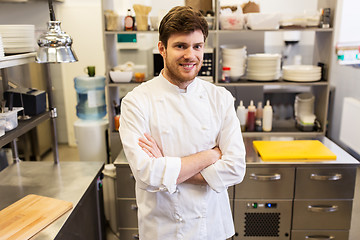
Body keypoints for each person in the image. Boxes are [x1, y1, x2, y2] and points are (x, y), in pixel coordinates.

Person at [119, 6, 246, 240]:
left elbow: (236, 169)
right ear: (162, 49)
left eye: (197, 46)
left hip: (212, 228)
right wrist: (209, 157)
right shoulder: (136, 102)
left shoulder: (220, 98)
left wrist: (166, 167)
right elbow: (146, 174)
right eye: (180, 46)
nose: (191, 55)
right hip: (164, 230)